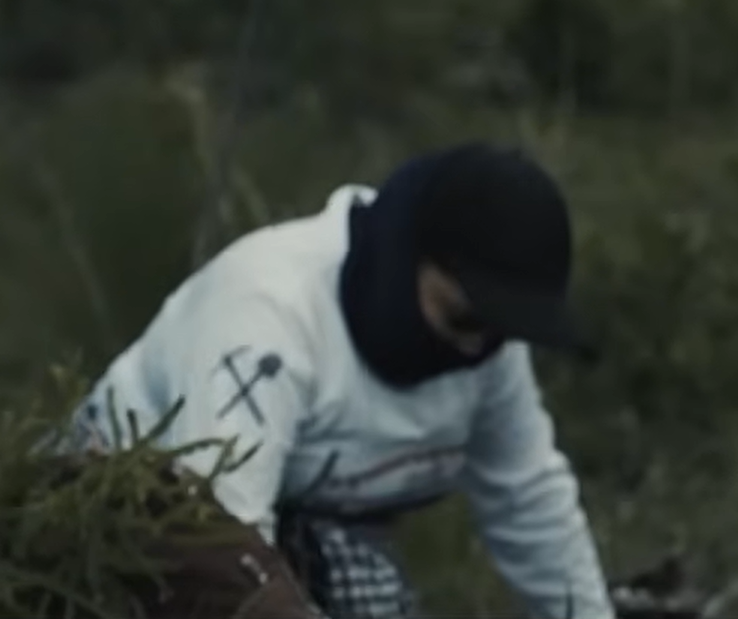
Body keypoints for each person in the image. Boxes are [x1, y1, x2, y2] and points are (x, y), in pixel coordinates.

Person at [65, 142, 616, 619]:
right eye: (462, 319)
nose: (477, 348)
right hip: (129, 529)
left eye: (499, 330)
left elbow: (528, 499)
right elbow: (221, 549)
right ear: (411, 256)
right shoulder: (266, 319)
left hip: (316, 532)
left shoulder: (485, 346)